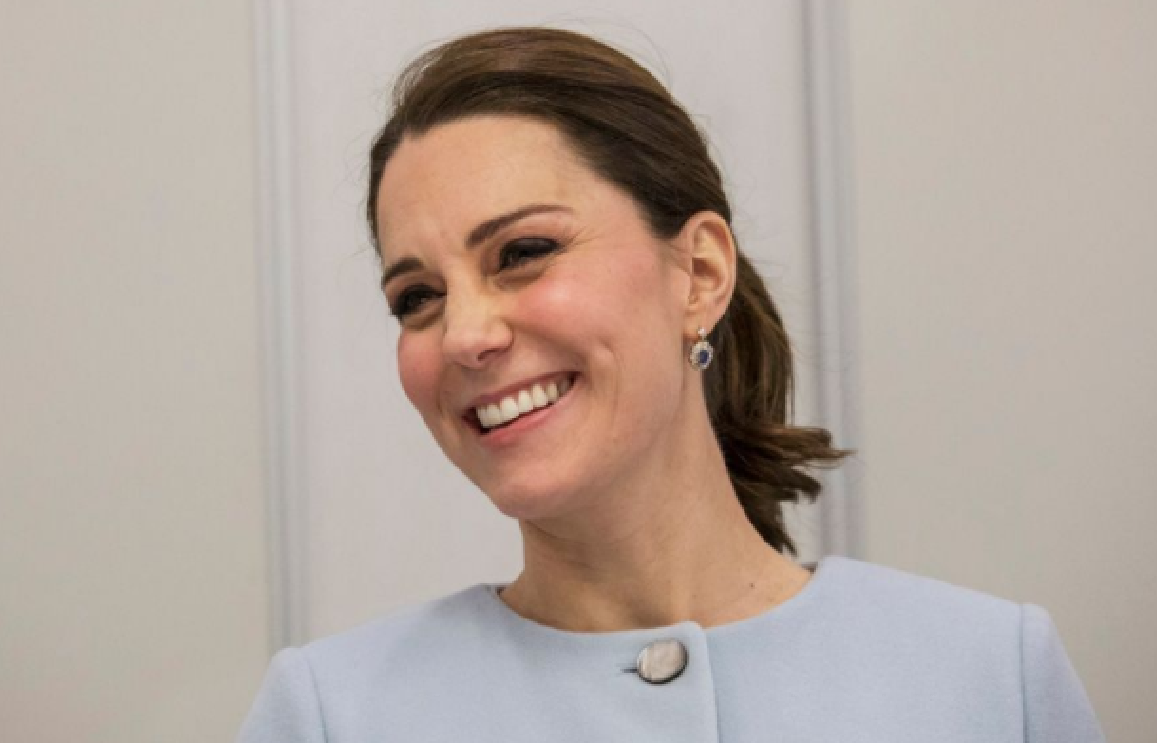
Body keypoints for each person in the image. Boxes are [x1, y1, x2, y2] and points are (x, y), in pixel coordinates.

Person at [238, 27, 1104, 742]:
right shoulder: (331, 714)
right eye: (416, 297)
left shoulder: (990, 676)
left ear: (698, 273)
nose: (464, 334)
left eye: (523, 252)